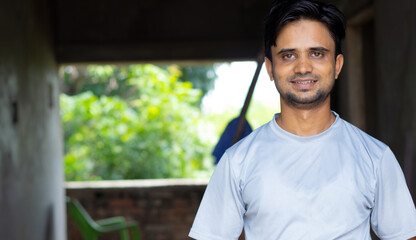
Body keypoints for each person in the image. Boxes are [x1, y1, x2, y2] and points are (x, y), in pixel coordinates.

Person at [189, 0, 416, 239]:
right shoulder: (237, 162)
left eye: (317, 53)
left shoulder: (375, 157)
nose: (303, 67)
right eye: (288, 56)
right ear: (270, 68)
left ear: (337, 65)